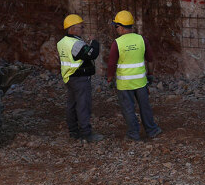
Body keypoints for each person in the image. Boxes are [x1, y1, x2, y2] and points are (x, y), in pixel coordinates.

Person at [106, 10, 161, 141]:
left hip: (124, 85)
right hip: (141, 82)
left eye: (116, 26)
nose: (116, 29)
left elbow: (111, 64)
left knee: (128, 109)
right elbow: (150, 59)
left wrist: (110, 79)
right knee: (145, 107)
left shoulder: (117, 43)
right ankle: (152, 130)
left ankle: (133, 134)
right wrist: (151, 74)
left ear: (121, 26)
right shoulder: (142, 40)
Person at [57, 14, 104, 142]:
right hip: (80, 79)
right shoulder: (75, 43)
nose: (83, 29)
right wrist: (94, 41)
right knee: (83, 105)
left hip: (69, 78)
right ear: (72, 28)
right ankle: (86, 134)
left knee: (71, 105)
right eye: (81, 27)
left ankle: (73, 132)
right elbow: (92, 54)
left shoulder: (62, 42)